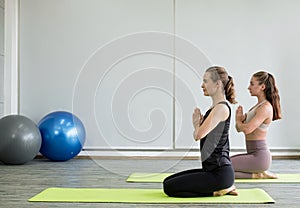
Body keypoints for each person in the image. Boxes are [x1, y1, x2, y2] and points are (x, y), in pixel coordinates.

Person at [163, 66, 238, 197]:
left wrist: (196, 125)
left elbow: (198, 135)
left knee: (169, 188)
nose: (202, 85)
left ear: (218, 83)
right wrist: (197, 125)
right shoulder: (214, 108)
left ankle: (219, 190)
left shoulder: (221, 109)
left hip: (219, 174)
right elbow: (198, 135)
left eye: (205, 81)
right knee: (167, 182)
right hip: (210, 171)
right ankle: (222, 188)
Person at [231, 71, 281, 179]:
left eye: (252, 84)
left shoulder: (265, 108)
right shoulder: (257, 107)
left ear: (262, 87)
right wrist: (238, 121)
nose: (249, 87)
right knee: (222, 167)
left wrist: (239, 122)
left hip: (259, 158)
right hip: (253, 155)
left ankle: (258, 174)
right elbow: (239, 129)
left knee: (222, 169)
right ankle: (258, 174)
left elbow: (247, 129)